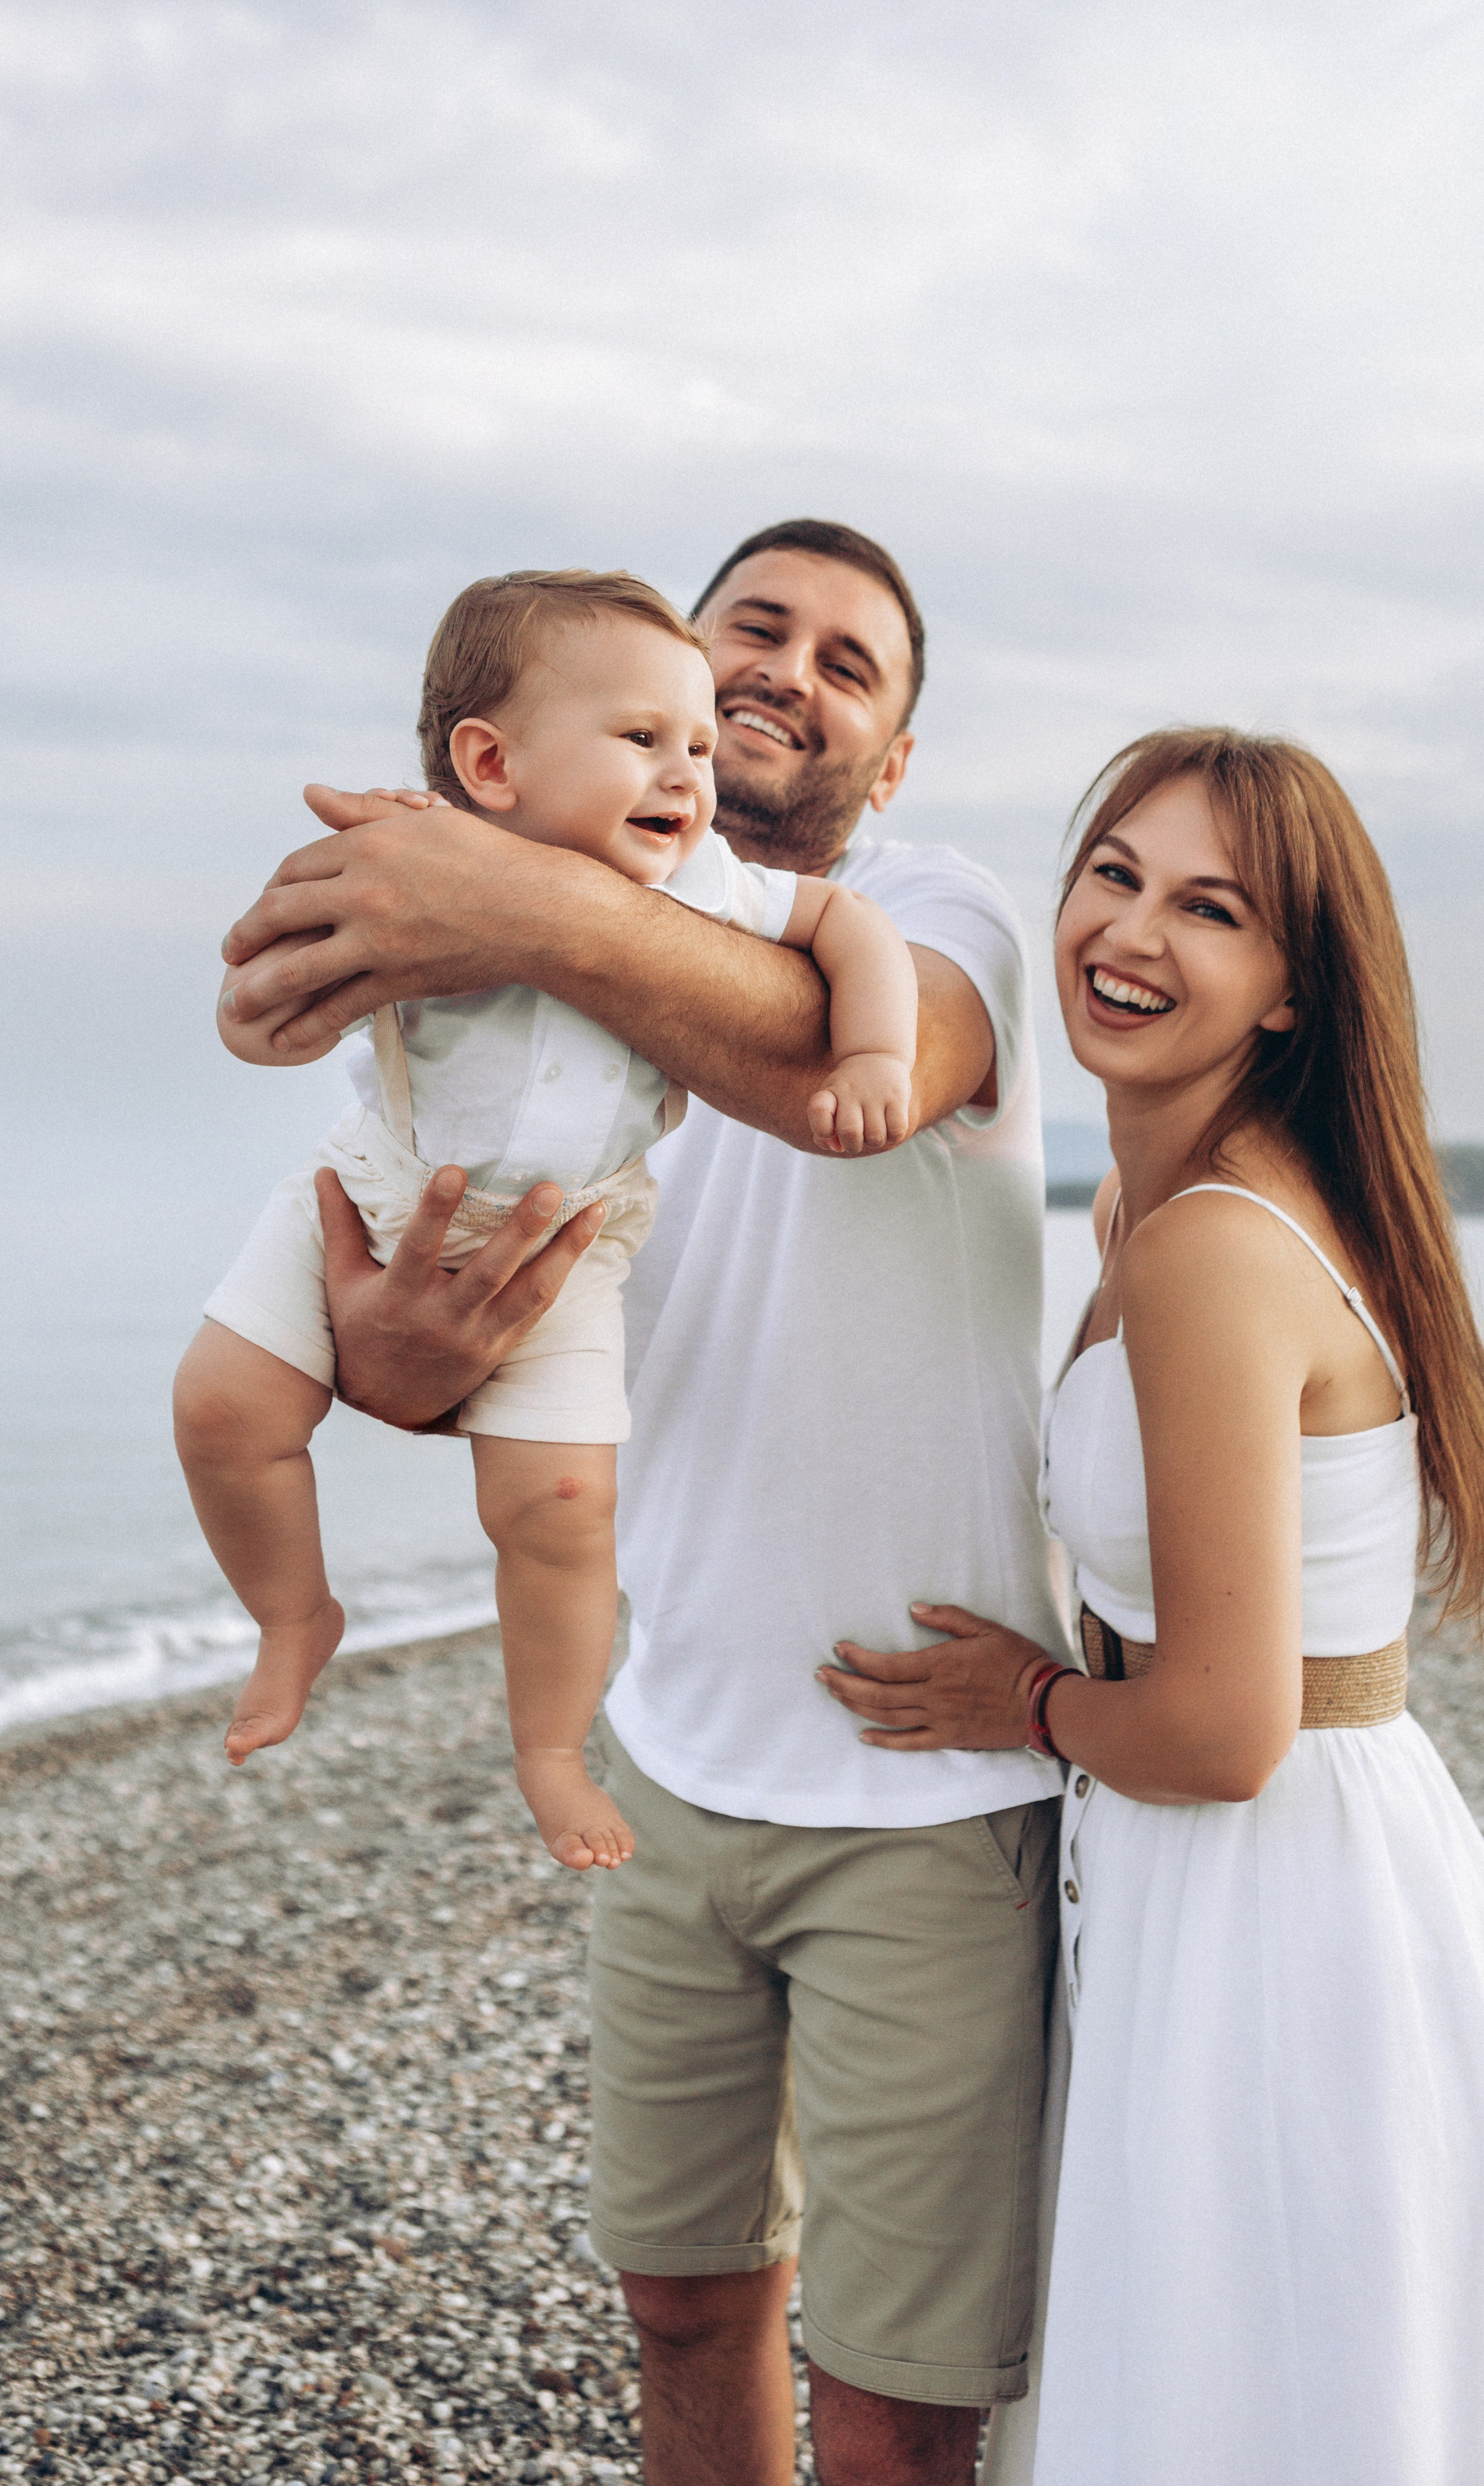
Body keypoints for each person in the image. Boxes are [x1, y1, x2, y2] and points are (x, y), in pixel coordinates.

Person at [216, 519, 1065, 2486]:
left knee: (896, 2392)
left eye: (849, 663)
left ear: (894, 757)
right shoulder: (539, 986)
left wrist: (502, 893)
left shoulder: (931, 916)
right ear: (668, 672)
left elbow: (819, 1067)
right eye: (753, 626)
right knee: (682, 2304)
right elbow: (434, 1328)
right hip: (669, 1757)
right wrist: (399, 1364)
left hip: (920, 1789)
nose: (786, 672)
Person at [821, 730, 1484, 2483]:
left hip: (1276, 1903)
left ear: (1290, 990)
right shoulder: (1152, 1208)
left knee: (1235, 2400)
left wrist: (1022, 1702)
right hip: (1276, 1866)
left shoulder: (1209, 1250)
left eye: (1210, 909)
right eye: (1115, 874)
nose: (1131, 933)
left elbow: (1229, 1732)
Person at [176, 566, 917, 1883]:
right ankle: (293, 1615)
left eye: (697, 748)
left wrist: (872, 1056)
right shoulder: (422, 859)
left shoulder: (706, 885)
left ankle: (551, 1749)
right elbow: (271, 993)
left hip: (571, 1236)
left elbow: (846, 922)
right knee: (224, 1410)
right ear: (491, 764)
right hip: (373, 1188)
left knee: (563, 1506)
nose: (686, 774)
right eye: (644, 738)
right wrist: (259, 1020)